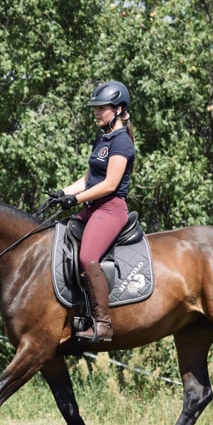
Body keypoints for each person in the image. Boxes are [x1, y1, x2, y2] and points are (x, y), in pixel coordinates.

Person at [53, 80, 136, 344]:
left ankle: (103, 324)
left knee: (88, 256)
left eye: (102, 108)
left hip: (110, 208)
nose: (96, 113)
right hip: (92, 206)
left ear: (119, 108)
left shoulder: (122, 143)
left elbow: (109, 184)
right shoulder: (103, 139)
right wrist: (63, 193)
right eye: (95, 108)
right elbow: (88, 179)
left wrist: (75, 199)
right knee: (63, 244)